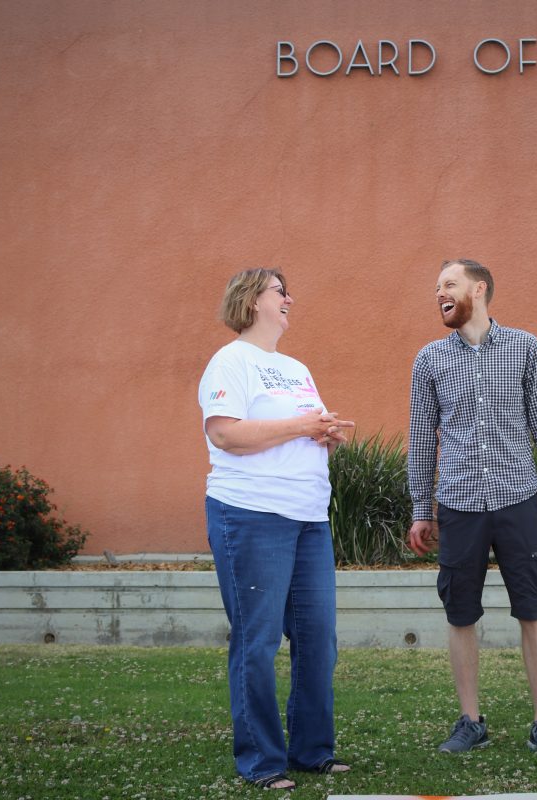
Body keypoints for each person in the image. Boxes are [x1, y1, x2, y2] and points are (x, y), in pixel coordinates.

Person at [407, 258, 537, 758]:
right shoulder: (429, 360)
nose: (439, 293)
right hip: (459, 504)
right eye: (436, 286)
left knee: (533, 608)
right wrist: (422, 508)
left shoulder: (525, 348)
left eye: (449, 284)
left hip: (517, 499)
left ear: (478, 289)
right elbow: (421, 441)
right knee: (460, 612)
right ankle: (470, 720)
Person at [198, 268, 355, 791]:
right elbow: (226, 433)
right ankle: (262, 761)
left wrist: (325, 434)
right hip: (250, 514)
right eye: (278, 290)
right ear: (251, 301)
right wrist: (301, 426)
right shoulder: (230, 361)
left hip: (309, 516)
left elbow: (299, 431)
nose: (290, 298)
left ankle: (311, 752)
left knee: (317, 640)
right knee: (258, 640)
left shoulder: (295, 368)